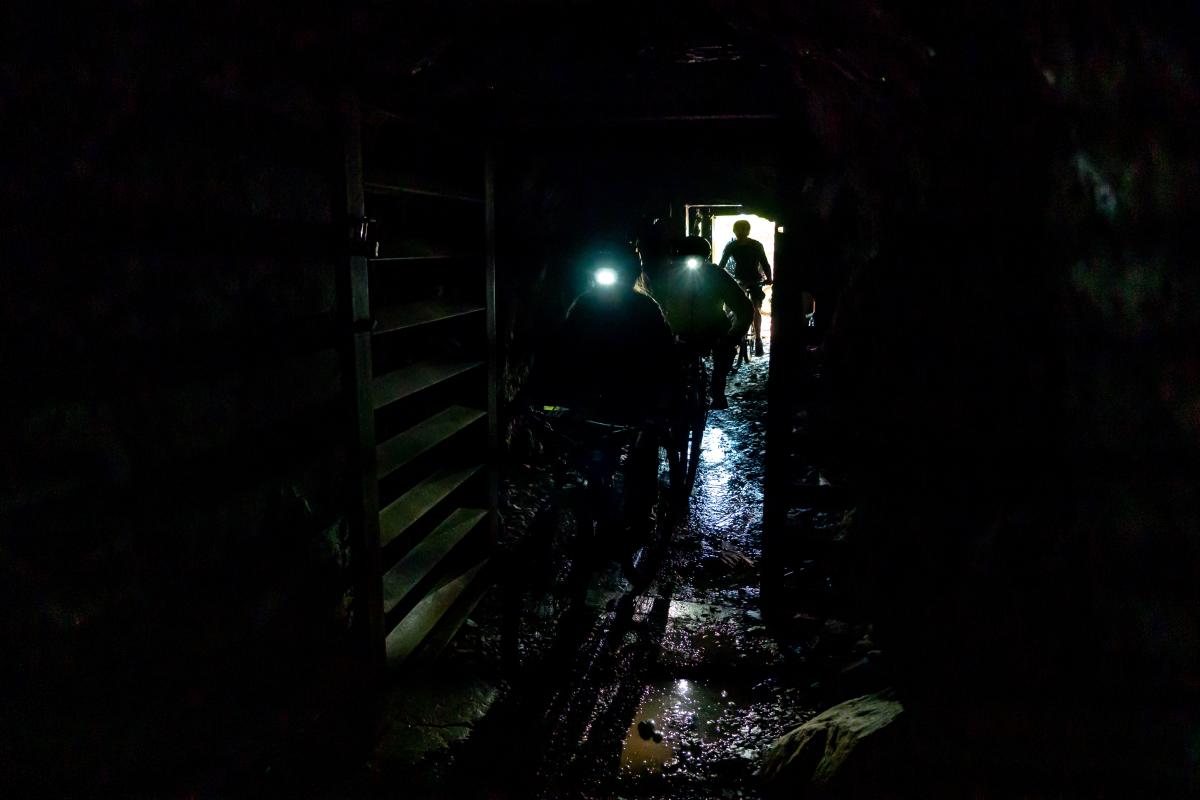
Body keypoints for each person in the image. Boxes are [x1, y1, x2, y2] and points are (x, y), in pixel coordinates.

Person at [636, 221, 752, 410]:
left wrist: (733, 335)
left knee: (724, 350)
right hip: (675, 333)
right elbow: (645, 302)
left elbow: (744, 309)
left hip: (712, 331)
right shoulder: (661, 276)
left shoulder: (716, 275)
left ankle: (718, 387)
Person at [718, 219, 773, 356]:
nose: (741, 232)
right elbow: (765, 264)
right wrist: (769, 278)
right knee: (754, 309)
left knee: (745, 309)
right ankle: (757, 340)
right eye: (740, 230)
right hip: (752, 280)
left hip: (745, 280)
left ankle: (756, 338)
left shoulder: (733, 245)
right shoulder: (755, 245)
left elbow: (721, 265)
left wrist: (718, 276)